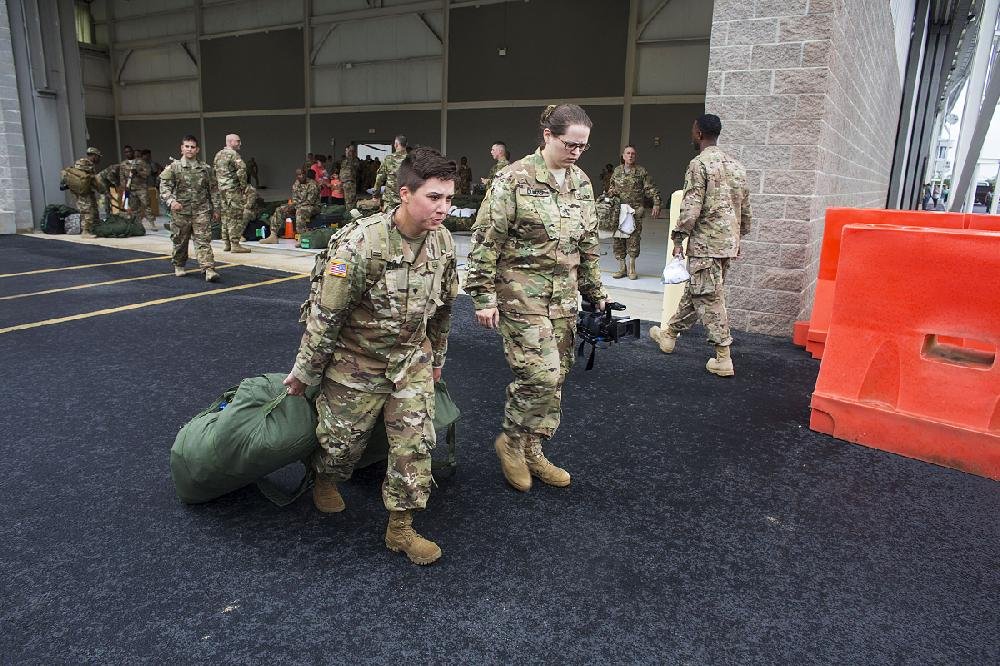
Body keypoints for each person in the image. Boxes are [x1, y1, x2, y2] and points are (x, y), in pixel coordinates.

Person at [282, 147, 459, 566]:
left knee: (415, 446)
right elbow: (327, 315)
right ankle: (324, 477)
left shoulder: (444, 241)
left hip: (411, 359)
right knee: (340, 446)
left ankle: (401, 528)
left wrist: (437, 361)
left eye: (449, 198)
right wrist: (304, 372)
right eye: (434, 197)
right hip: (356, 360)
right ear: (404, 193)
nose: (444, 208)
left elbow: (445, 308)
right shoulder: (361, 243)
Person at [465, 104, 607, 492]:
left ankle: (533, 446)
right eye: (570, 144)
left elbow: (589, 244)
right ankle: (510, 441)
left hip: (562, 298)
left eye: (584, 146)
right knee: (539, 374)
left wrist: (595, 293)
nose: (577, 152)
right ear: (547, 135)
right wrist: (482, 297)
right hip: (520, 296)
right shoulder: (513, 179)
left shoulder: (580, 183)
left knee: (558, 376)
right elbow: (485, 242)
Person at [650, 114, 751, 377]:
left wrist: (677, 238)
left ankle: (723, 356)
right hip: (726, 244)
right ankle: (669, 335)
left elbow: (691, 206)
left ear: (698, 134)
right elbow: (745, 209)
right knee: (699, 290)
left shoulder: (699, 164)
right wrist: (738, 239)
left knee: (709, 296)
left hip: (706, 244)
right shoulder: (737, 166)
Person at [159, 135, 220, 282]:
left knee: (203, 240)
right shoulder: (173, 168)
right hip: (181, 212)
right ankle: (179, 265)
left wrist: (217, 209)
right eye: (187, 146)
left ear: (197, 149)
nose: (190, 149)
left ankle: (208, 269)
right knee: (180, 240)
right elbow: (164, 187)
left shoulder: (205, 169)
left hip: (201, 211)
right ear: (182, 148)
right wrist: (171, 201)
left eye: (192, 147)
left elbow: (214, 189)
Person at [607, 145, 662, 280]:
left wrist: (656, 203)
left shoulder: (641, 171)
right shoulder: (617, 171)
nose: (630, 156)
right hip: (619, 211)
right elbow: (611, 187)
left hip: (635, 211)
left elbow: (650, 188)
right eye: (628, 153)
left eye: (633, 154)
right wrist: (610, 194)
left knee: (633, 239)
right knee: (618, 240)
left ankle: (631, 268)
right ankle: (622, 268)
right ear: (623, 156)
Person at [261, 168, 320, 247]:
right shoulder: (296, 184)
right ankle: (273, 236)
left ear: (306, 175)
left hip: (313, 207)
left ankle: (302, 237)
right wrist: (290, 206)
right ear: (297, 176)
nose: (301, 176)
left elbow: (310, 201)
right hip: (299, 206)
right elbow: (295, 199)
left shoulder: (313, 184)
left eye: (303, 174)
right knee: (280, 209)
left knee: (300, 211)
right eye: (299, 175)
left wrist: (296, 206)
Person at [213, 133, 250, 253]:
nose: (240, 143)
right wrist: (243, 186)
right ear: (230, 142)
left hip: (222, 190)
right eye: (237, 141)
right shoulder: (233, 154)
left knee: (225, 217)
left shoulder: (218, 154)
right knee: (236, 216)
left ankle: (227, 243)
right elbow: (242, 170)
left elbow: (215, 172)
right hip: (233, 190)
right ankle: (235, 244)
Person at [63, 147, 102, 238]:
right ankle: (85, 231)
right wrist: (100, 188)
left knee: (94, 209)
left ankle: (95, 228)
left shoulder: (85, 163)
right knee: (87, 210)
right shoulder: (85, 163)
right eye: (98, 156)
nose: (99, 159)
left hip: (86, 191)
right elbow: (89, 179)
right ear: (93, 155)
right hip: (83, 192)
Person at [373, 134, 408, 212]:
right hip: (406, 199)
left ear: (395, 145)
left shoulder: (388, 159)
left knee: (390, 222)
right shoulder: (411, 160)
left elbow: (379, 179)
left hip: (390, 200)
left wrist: (375, 195)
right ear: (406, 144)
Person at [340, 145, 360, 209]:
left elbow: (355, 166)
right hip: (345, 182)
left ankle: (350, 214)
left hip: (349, 182)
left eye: (347, 150)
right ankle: (349, 212)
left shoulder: (353, 159)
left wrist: (350, 152)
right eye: (346, 150)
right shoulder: (344, 160)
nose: (346, 152)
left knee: (350, 200)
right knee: (347, 200)